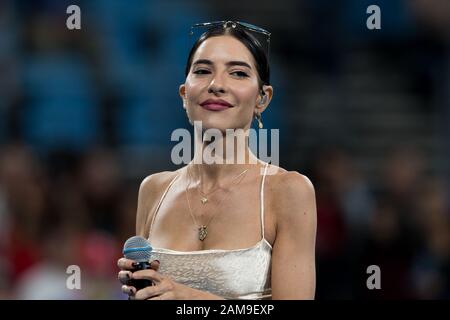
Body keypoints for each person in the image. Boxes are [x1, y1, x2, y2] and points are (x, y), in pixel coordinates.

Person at [117, 21, 317, 300]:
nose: (216, 85)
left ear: (263, 99)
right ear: (184, 94)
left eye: (237, 73)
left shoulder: (288, 191)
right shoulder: (153, 190)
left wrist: (187, 297)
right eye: (202, 71)